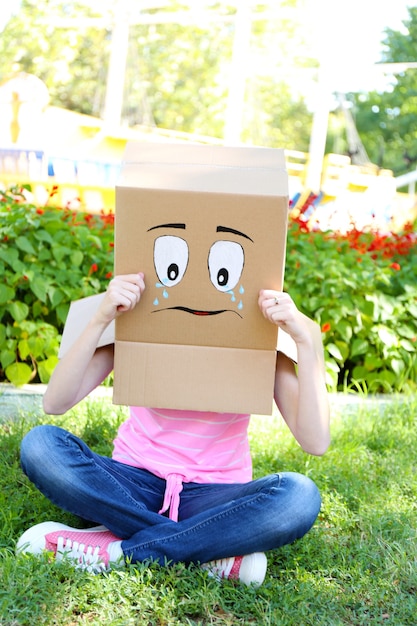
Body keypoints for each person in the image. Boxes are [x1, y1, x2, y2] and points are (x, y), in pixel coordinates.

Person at [17, 273, 330, 586]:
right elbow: (56, 402)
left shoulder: (258, 336)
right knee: (41, 445)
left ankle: (116, 550)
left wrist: (303, 341)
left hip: (213, 494)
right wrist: (103, 317)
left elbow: (315, 441)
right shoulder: (140, 317)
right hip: (132, 483)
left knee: (299, 495)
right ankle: (203, 548)